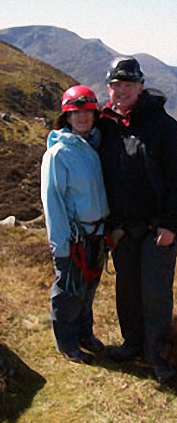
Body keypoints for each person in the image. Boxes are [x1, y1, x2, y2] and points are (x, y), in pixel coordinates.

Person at [98, 56, 177, 382]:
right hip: (123, 230)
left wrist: (170, 224)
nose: (121, 90)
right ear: (109, 89)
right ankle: (132, 344)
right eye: (116, 85)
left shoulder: (163, 128)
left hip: (157, 231)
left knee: (155, 295)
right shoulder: (107, 125)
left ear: (140, 87)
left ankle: (158, 355)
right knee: (126, 291)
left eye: (128, 84)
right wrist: (110, 226)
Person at [41, 85, 109, 364]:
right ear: (67, 117)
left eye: (87, 113)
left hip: (97, 233)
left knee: (88, 288)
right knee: (69, 290)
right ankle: (67, 343)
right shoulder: (58, 154)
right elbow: (53, 202)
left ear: (94, 115)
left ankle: (85, 335)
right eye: (76, 113)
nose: (82, 118)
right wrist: (61, 246)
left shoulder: (94, 147)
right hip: (74, 237)